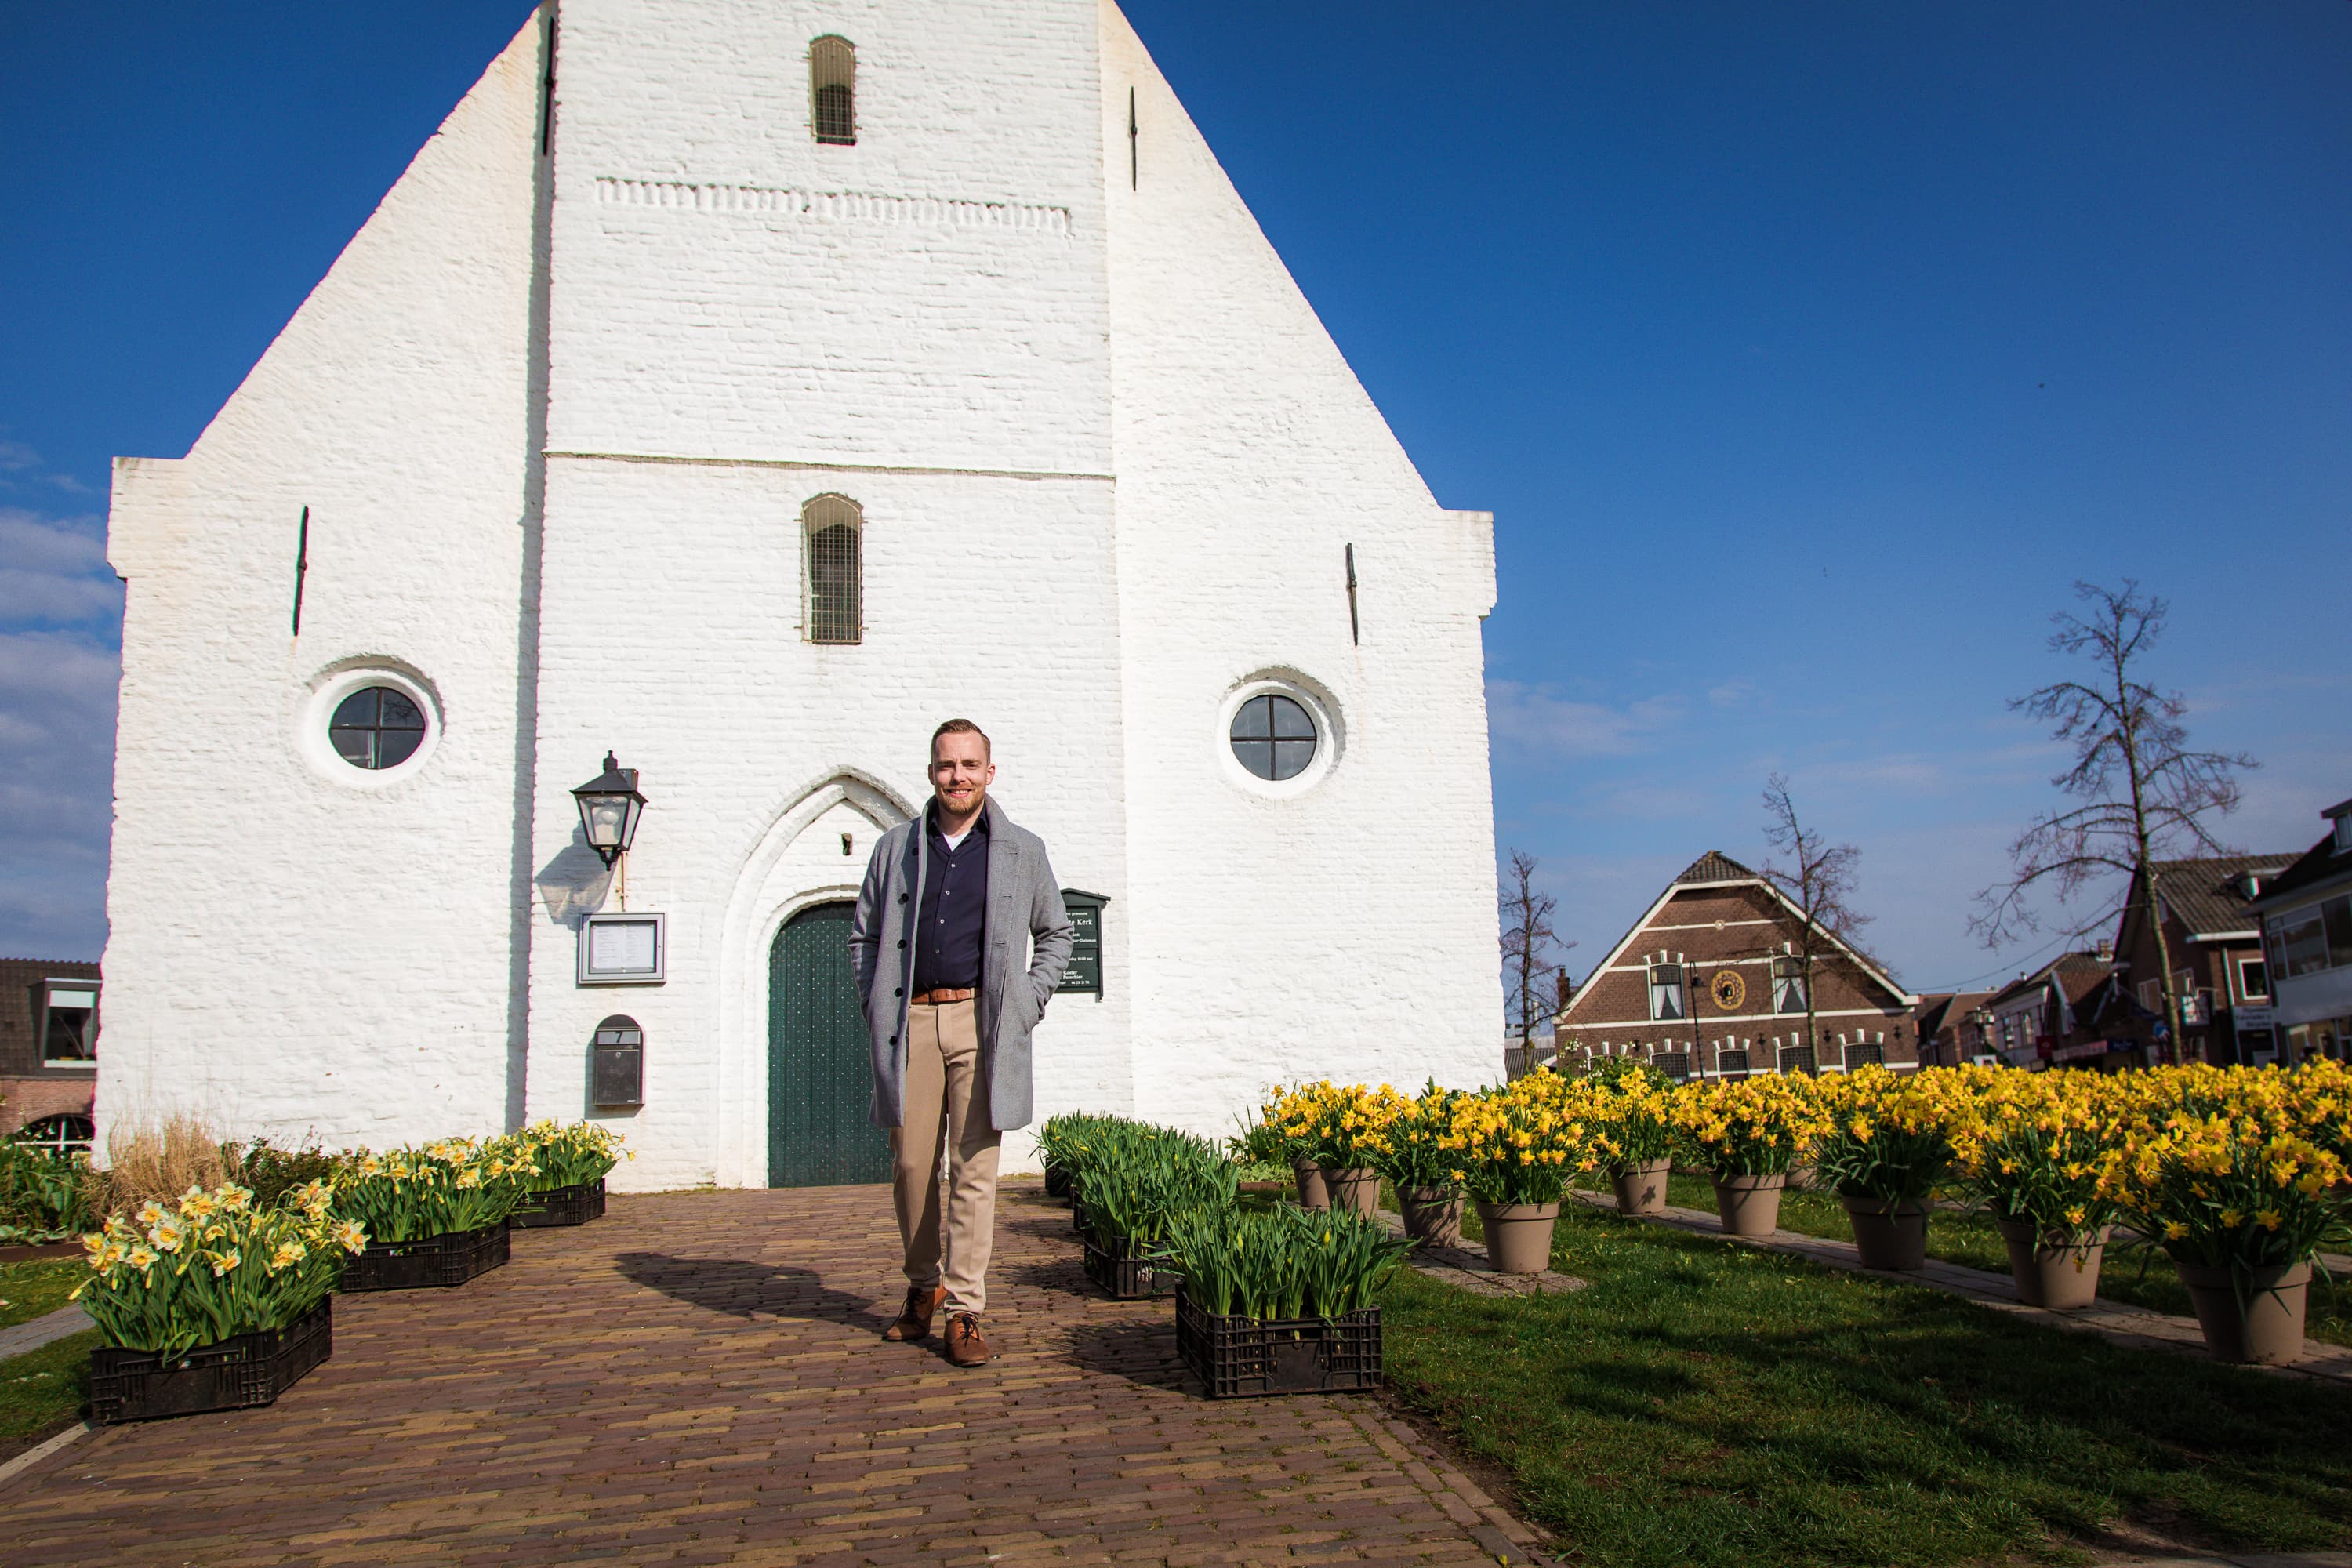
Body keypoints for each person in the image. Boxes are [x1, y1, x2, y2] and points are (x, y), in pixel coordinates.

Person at [849, 719, 1073, 1367]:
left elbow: (1056, 934)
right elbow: (862, 936)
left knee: (974, 1171)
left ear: (990, 773)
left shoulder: (1022, 850)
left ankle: (966, 1310)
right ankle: (924, 1285)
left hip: (985, 1023)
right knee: (913, 1168)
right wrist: (874, 1003)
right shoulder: (895, 849)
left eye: (971, 765)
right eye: (948, 765)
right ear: (931, 773)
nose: (959, 776)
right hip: (914, 1022)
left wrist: (1027, 1004)